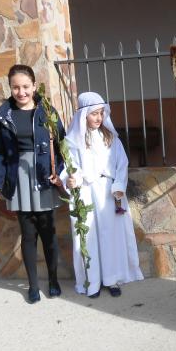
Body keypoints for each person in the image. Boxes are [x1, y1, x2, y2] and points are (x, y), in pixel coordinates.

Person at [0, 64, 65, 304]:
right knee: (28, 234)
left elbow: (62, 147)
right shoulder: (3, 116)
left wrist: (60, 174)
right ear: (10, 88)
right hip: (19, 178)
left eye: (25, 86)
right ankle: (33, 285)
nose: (21, 92)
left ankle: (53, 280)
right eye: (16, 87)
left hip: (43, 175)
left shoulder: (47, 112)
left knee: (48, 232)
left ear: (34, 86)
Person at [61, 91, 143, 298]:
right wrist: (71, 179)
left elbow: (122, 164)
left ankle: (112, 279)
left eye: (101, 113)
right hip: (86, 193)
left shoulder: (111, 138)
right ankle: (93, 282)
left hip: (108, 193)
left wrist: (118, 185)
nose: (99, 117)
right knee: (89, 237)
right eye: (94, 113)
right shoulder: (72, 141)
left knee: (110, 237)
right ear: (83, 115)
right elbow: (70, 168)